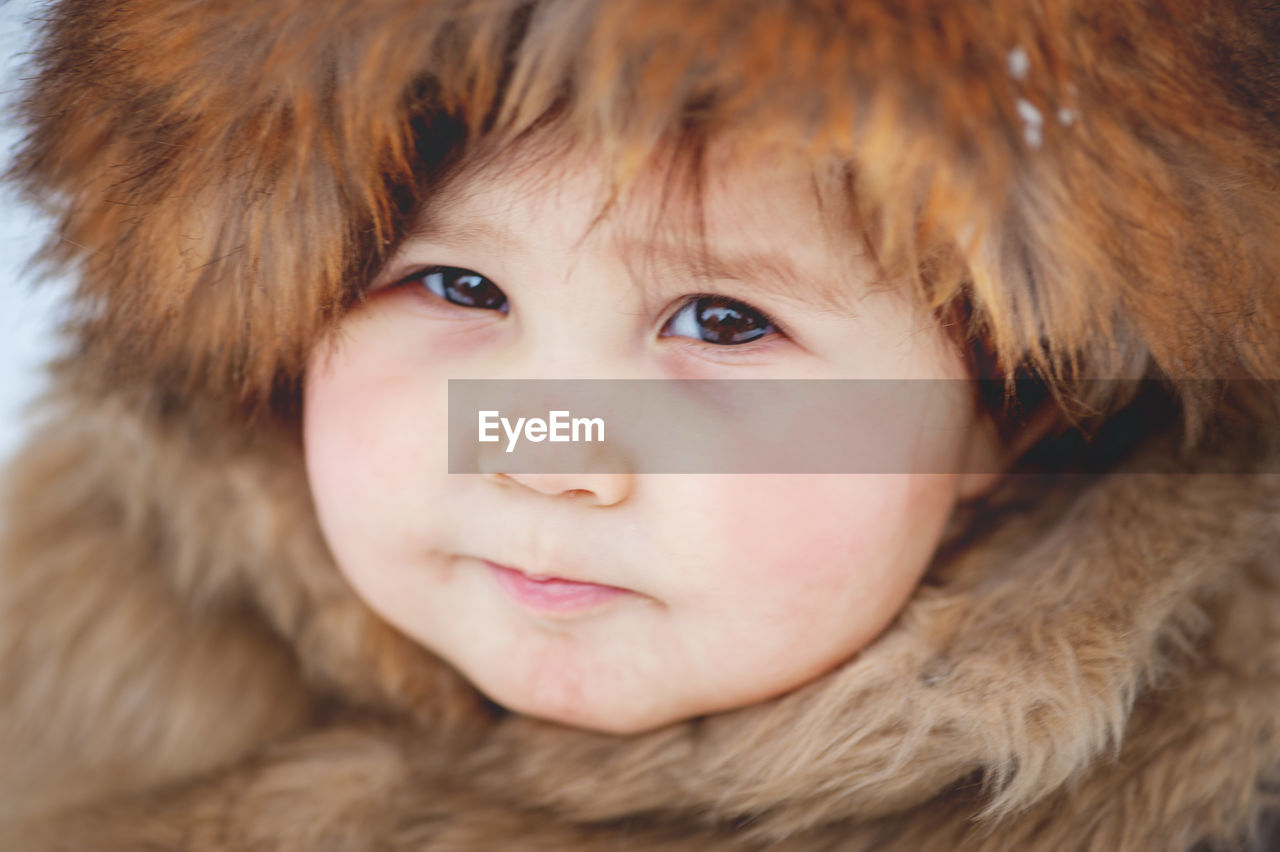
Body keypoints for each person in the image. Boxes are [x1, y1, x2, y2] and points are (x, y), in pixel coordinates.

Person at [2, 1, 1278, 849]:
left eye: (722, 323)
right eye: (458, 287)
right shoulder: (53, 649)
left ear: (1009, 417)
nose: (550, 456)